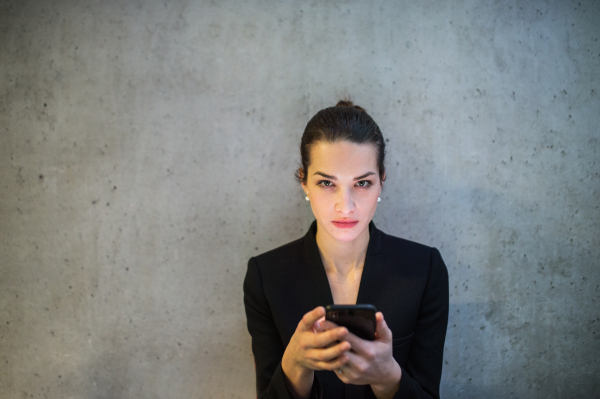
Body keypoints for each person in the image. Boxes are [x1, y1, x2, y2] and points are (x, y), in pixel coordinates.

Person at [244, 101, 449, 399]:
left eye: (363, 182)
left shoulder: (424, 270)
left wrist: (388, 377)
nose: (346, 205)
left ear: (381, 182)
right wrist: (295, 365)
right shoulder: (266, 277)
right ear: (304, 183)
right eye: (327, 182)